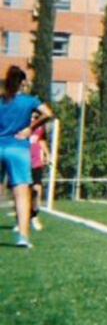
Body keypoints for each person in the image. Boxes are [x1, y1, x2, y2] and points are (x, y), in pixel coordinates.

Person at [0, 66, 54, 247]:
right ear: (23, 82)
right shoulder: (29, 101)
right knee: (22, 195)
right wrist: (30, 128)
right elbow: (48, 113)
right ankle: (23, 237)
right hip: (18, 150)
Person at [27, 108, 48, 232]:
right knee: (22, 191)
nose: (34, 119)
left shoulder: (40, 128)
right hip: (23, 162)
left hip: (36, 163)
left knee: (37, 189)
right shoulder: (20, 127)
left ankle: (34, 216)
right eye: (32, 117)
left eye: (36, 117)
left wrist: (47, 154)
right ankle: (21, 220)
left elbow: (41, 140)